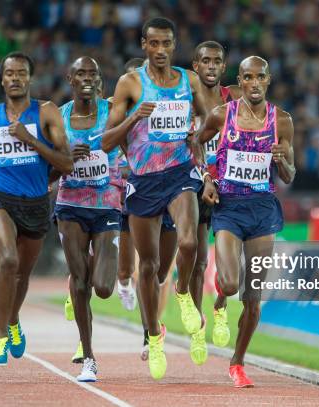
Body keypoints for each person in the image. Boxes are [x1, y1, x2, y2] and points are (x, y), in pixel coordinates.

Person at [102, 17, 208, 380]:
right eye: (154, 44)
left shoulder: (188, 80)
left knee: (191, 241)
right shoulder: (130, 83)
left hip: (180, 173)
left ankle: (183, 295)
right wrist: (134, 119)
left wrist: (198, 139)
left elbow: (208, 120)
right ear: (143, 45)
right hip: (144, 181)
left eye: (167, 44)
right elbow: (105, 141)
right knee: (149, 267)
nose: (161, 51)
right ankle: (153, 336)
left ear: (174, 46)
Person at [0, 51, 73, 366]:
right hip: (0, 198)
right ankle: (0, 338)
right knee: (8, 259)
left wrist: (30, 140)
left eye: (21, 73)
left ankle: (13, 321)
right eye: (9, 73)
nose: (15, 78)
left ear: (30, 78)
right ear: (2, 79)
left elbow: (66, 163)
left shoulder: (46, 113)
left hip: (37, 201)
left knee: (23, 274)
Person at [198, 56, 295, 387]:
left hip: (263, 209)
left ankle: (237, 363)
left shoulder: (281, 120)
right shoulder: (221, 115)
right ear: (239, 80)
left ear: (268, 80)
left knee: (253, 298)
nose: (254, 83)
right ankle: (220, 301)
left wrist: (283, 164)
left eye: (261, 77)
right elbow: (197, 145)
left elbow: (290, 174)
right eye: (248, 78)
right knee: (228, 282)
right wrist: (207, 179)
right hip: (229, 208)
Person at [50, 56, 124, 382]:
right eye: (80, 73)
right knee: (81, 284)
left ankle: (94, 256)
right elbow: (50, 171)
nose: (86, 78)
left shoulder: (111, 112)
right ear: (70, 77)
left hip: (106, 204)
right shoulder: (59, 116)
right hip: (70, 205)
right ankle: (89, 357)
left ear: (98, 79)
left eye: (92, 73)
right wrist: (65, 160)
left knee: (104, 287)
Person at [114, 57, 179, 361]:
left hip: (159, 190)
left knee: (155, 270)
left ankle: (150, 332)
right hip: (124, 193)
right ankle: (123, 281)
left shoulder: (163, 107)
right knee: (128, 268)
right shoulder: (114, 110)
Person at [188, 40, 242, 365]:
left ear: (223, 67)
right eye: (204, 61)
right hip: (195, 182)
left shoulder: (234, 97)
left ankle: (220, 306)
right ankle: (197, 327)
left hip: (230, 185)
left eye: (216, 61)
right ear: (195, 65)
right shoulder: (185, 101)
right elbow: (190, 143)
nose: (210, 66)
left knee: (228, 265)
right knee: (196, 260)